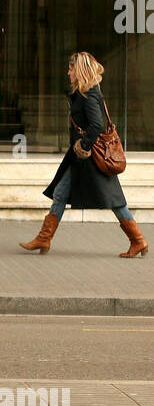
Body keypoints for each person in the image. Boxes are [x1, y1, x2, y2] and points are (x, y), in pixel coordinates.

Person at [19, 51, 148, 257]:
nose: (68, 72)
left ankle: (138, 240)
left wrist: (84, 146)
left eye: (71, 69)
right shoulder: (85, 93)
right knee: (61, 193)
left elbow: (96, 125)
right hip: (81, 157)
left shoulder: (89, 95)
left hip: (91, 157)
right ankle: (44, 238)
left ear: (79, 71)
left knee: (114, 199)